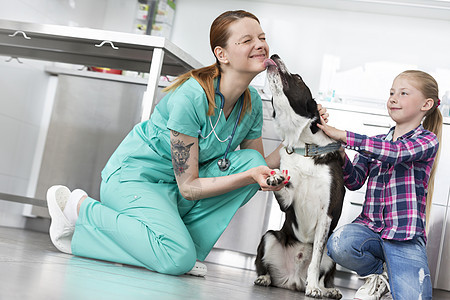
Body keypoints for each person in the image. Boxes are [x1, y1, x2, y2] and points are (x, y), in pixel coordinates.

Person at [46, 10, 328, 277]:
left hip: (176, 192)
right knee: (174, 257)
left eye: (262, 38)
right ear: (222, 54)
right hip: (136, 181)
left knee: (252, 165)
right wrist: (251, 175)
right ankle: (79, 208)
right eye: (247, 40)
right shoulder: (192, 96)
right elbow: (190, 186)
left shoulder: (251, 103)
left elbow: (258, 168)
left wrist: (305, 132)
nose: (261, 45)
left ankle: (181, 250)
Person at [318, 70, 443, 300]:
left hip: (404, 237)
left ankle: (393, 273)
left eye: (403, 93)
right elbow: (354, 181)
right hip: (370, 230)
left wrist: (345, 136)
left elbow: (395, 154)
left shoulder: (427, 140)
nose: (393, 98)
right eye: (392, 93)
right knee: (338, 243)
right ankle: (378, 276)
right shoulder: (375, 142)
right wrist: (342, 153)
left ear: (426, 104)